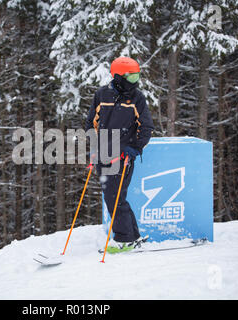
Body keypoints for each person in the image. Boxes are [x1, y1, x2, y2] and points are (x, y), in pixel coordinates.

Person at [85, 56, 154, 253]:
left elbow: (146, 126)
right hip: (104, 154)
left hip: (123, 156)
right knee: (114, 197)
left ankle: (125, 239)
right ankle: (133, 236)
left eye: (137, 77)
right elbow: (91, 123)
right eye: (131, 77)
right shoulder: (102, 95)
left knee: (114, 197)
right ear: (117, 76)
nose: (135, 82)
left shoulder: (137, 98)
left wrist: (134, 149)